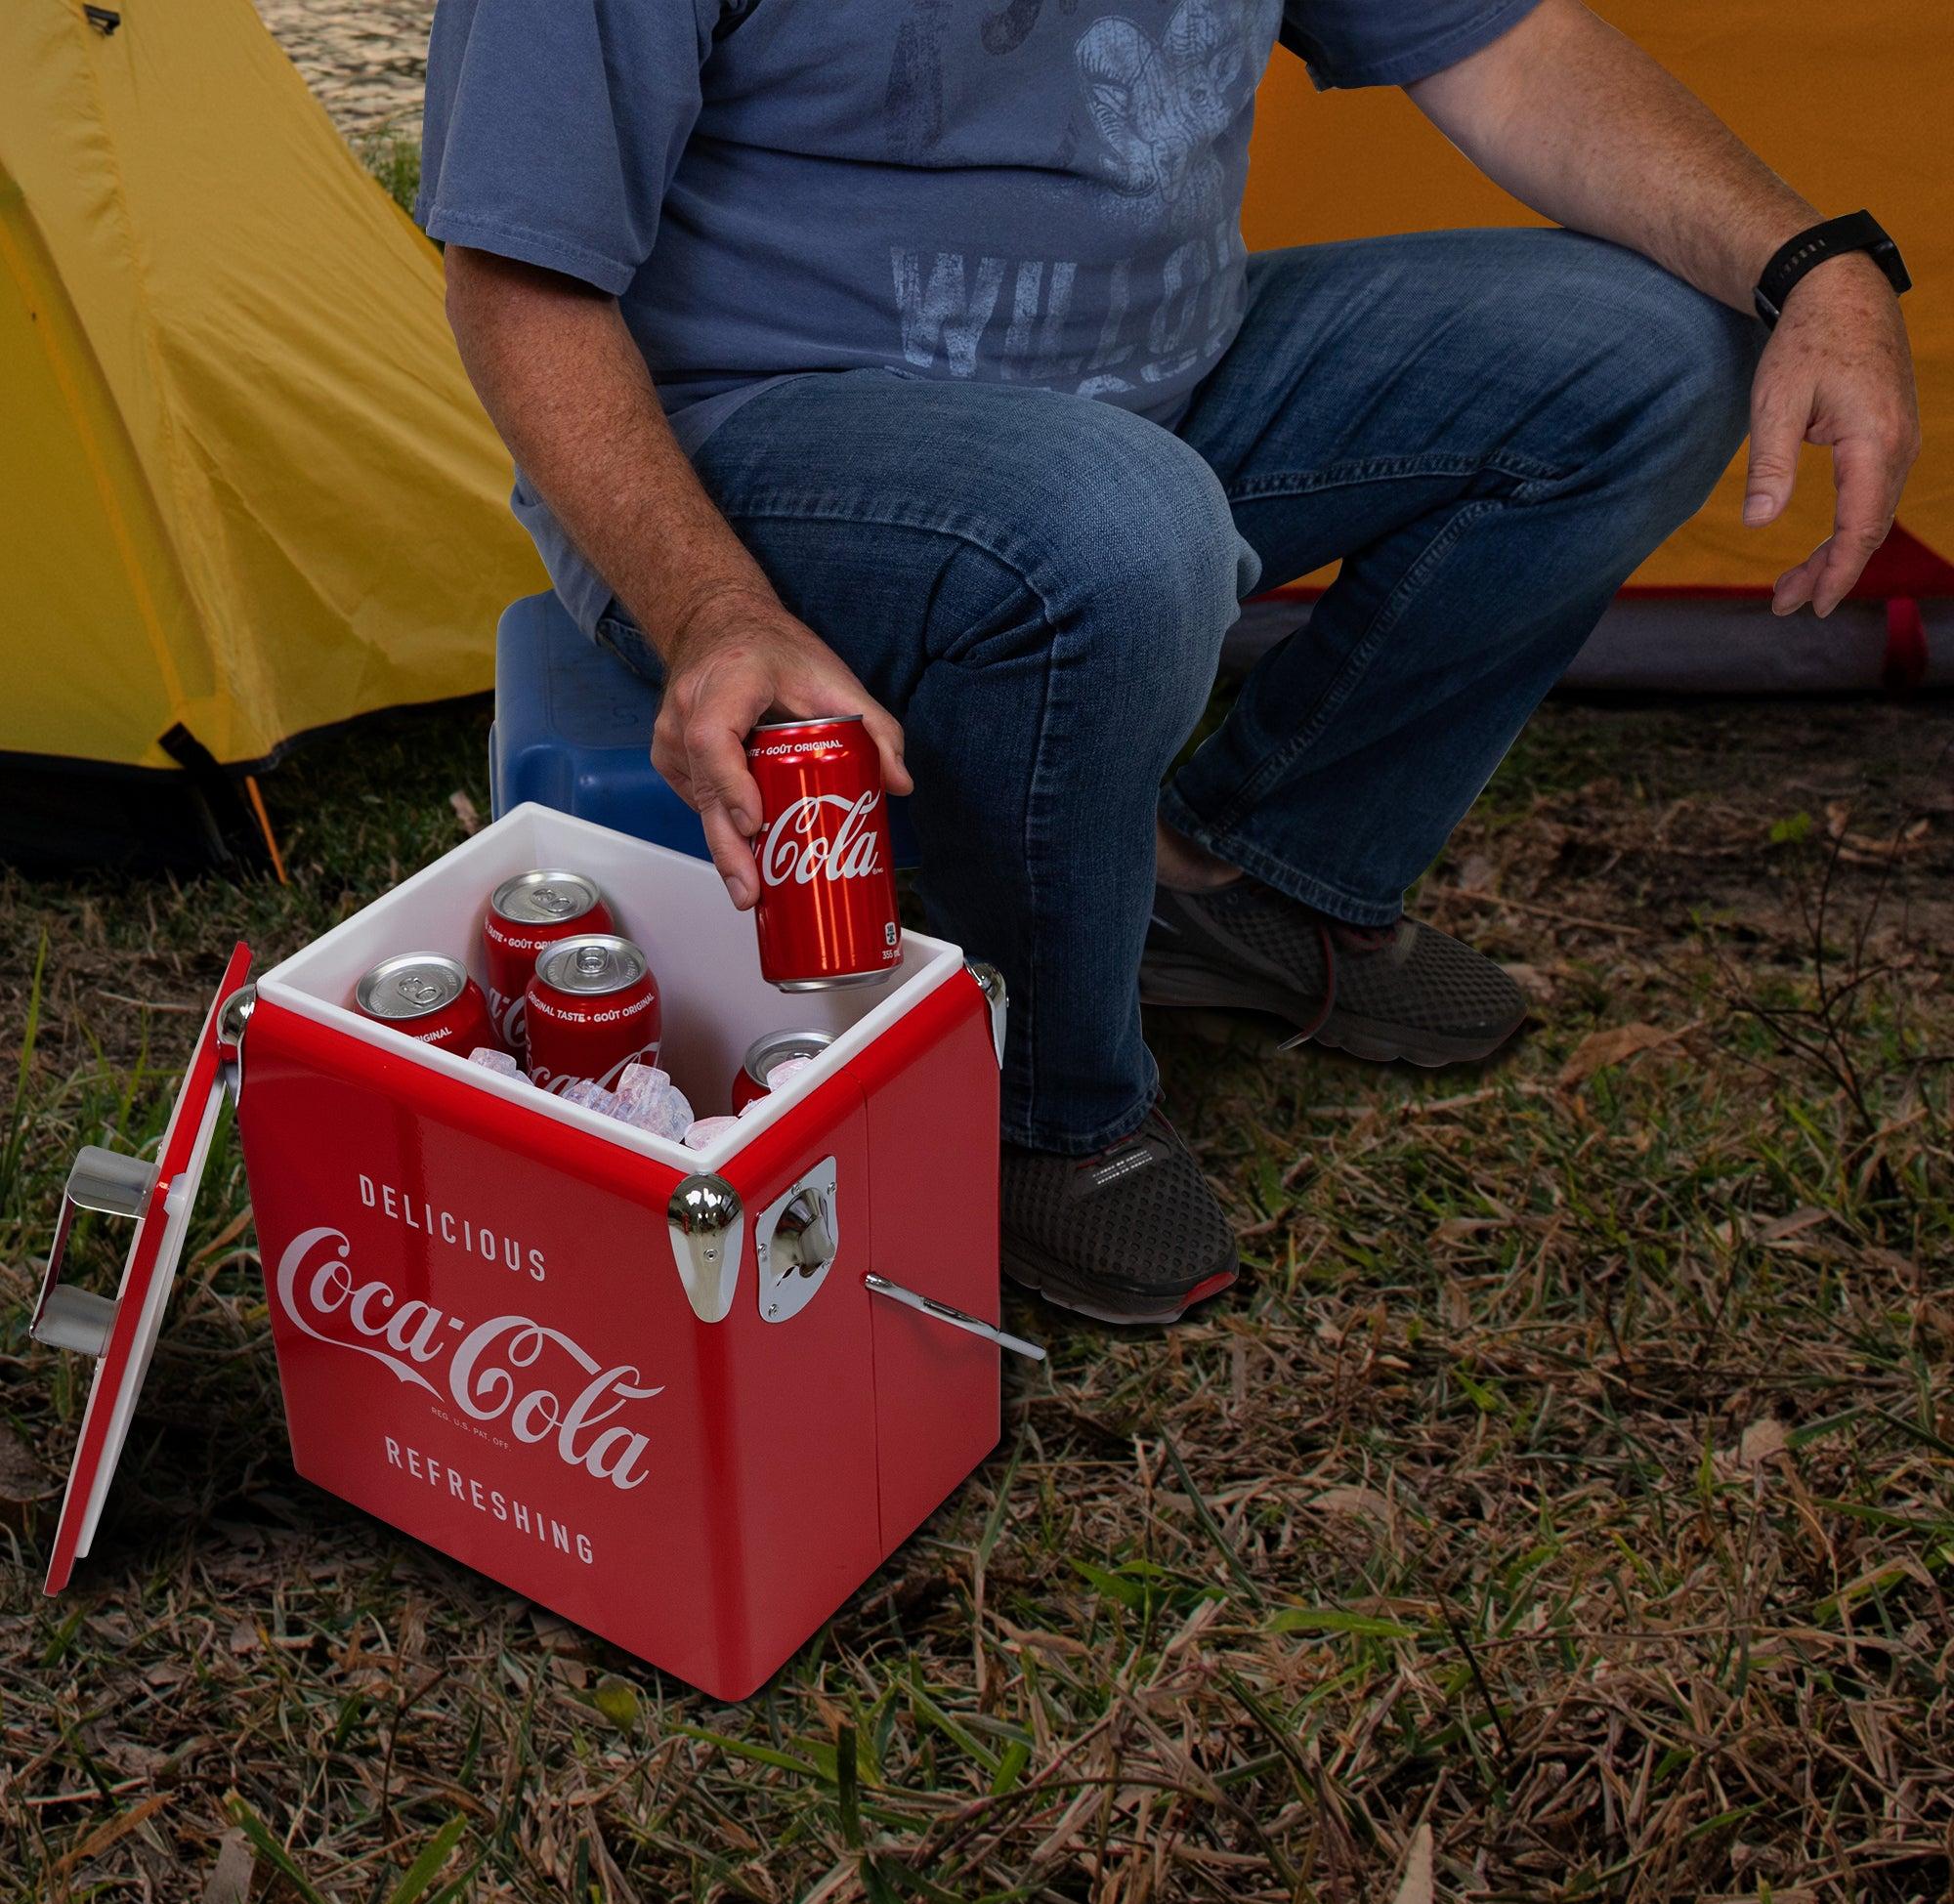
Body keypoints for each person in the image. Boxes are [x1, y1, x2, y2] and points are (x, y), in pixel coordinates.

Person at [421, 0, 1919, 1325]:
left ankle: (1251, 888)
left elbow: (1511, 52)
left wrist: (1819, 264)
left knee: (1659, 348)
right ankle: (1047, 1106)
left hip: (1159, 392)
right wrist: (705, 606)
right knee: (1128, 528)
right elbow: (517, 280)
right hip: (754, 442)